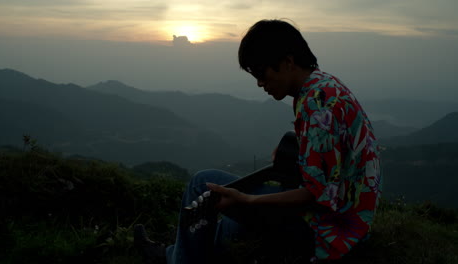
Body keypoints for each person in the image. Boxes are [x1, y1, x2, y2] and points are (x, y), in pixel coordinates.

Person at [135, 19, 382, 264]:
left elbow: (317, 195)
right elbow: (331, 150)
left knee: (203, 183)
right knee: (233, 220)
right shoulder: (325, 87)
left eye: (262, 72)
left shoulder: (317, 104)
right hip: (352, 222)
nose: (260, 83)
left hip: (326, 231)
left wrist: (250, 201)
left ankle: (176, 259)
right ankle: (171, 254)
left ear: (288, 61)